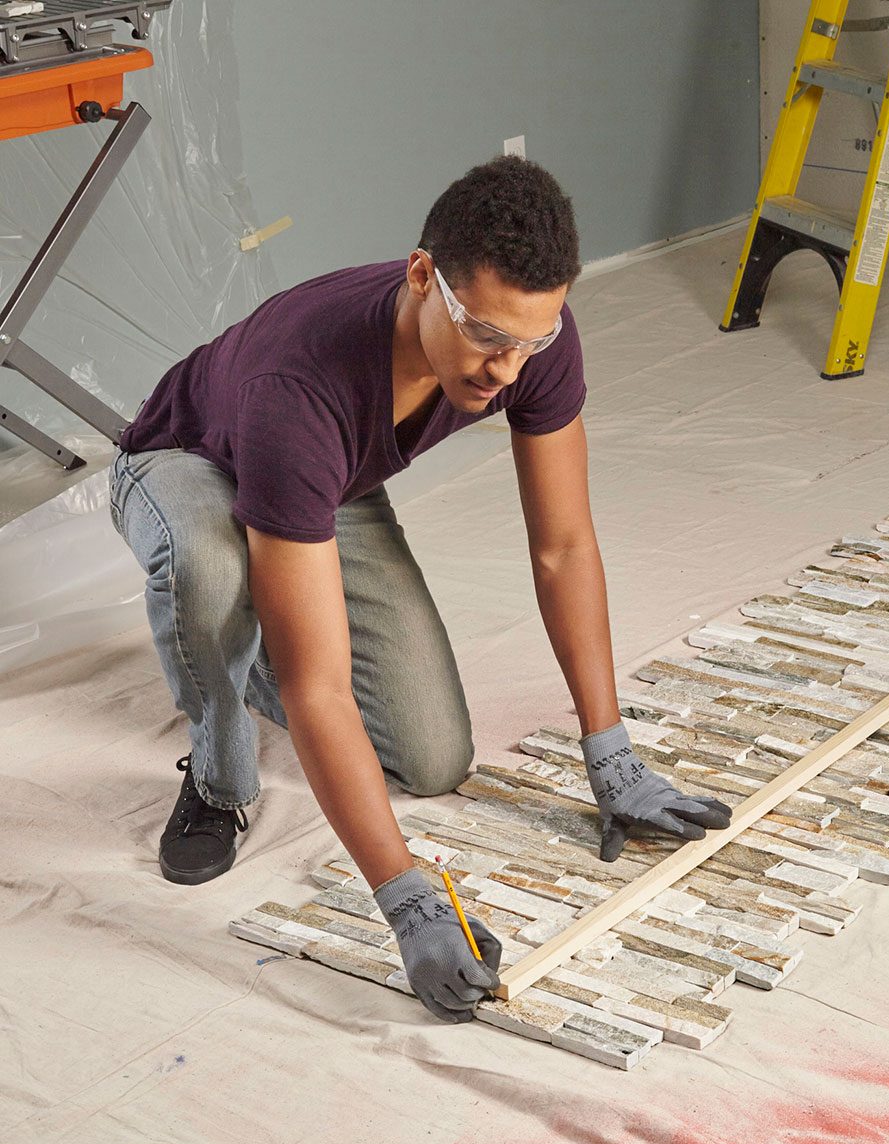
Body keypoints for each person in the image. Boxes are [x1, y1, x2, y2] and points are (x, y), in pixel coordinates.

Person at [108, 156, 732, 1022]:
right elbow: (318, 687)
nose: (505, 368)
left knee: (433, 758)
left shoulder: (529, 334)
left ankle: (253, 634)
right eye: (484, 335)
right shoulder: (299, 391)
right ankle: (219, 774)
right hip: (185, 461)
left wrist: (611, 751)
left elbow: (562, 546)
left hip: (326, 486)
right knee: (214, 571)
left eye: (531, 340)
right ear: (420, 277)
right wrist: (406, 899)